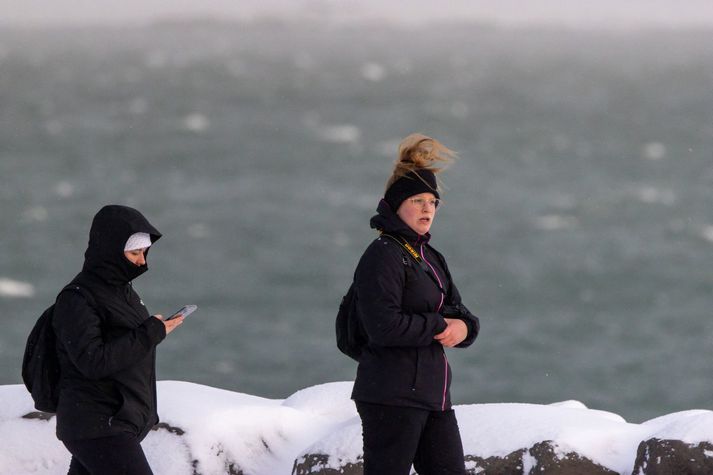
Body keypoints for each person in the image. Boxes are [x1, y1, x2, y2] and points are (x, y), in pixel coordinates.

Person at [350, 134, 480, 475]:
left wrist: (464, 327)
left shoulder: (429, 256)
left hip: (434, 396)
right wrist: (438, 326)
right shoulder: (383, 255)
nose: (427, 209)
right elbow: (383, 327)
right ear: (395, 205)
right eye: (417, 200)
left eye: (432, 202)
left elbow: (458, 311)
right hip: (390, 395)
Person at [52, 205, 185, 475]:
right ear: (111, 250)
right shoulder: (77, 298)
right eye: (135, 253)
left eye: (144, 253)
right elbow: (93, 361)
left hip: (116, 421)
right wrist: (150, 333)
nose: (142, 262)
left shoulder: (123, 292)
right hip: (97, 424)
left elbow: (126, 344)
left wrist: (155, 330)